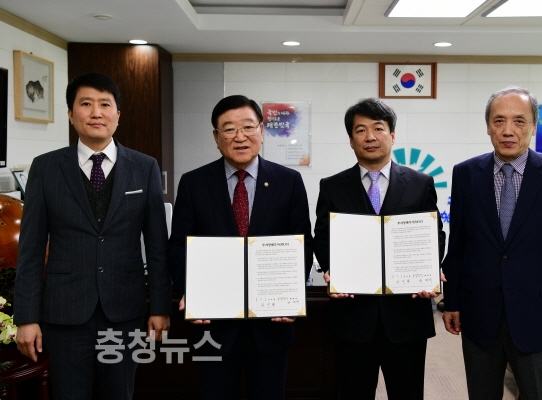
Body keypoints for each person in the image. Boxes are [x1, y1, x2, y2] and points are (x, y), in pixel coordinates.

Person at [14, 72, 172, 400]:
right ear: (71, 114)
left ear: (118, 115)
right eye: (86, 104)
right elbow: (30, 250)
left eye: (105, 104)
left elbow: (157, 246)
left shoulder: (144, 167)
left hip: (125, 311)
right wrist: (26, 318)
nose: (96, 112)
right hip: (64, 314)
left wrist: (159, 308)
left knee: (120, 394)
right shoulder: (45, 168)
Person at [442, 86, 542, 400]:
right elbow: (459, 244)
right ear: (488, 126)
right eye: (499, 121)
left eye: (519, 121)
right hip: (480, 315)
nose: (508, 130)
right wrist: (451, 300)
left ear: (534, 126)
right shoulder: (466, 173)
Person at [168, 95, 313, 400]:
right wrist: (190, 290)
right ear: (216, 137)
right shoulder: (194, 183)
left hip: (271, 324)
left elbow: (301, 244)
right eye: (229, 129)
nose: (240, 136)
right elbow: (179, 245)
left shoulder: (288, 181)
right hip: (213, 324)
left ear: (261, 131)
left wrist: (291, 296)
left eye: (248, 127)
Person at [313, 98, 446, 400]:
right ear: (351, 140)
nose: (370, 137)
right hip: (352, 315)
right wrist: (333, 269)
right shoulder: (332, 186)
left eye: (378, 128)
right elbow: (323, 236)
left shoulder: (420, 183)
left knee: (408, 393)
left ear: (392, 135)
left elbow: (433, 234)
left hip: (406, 315)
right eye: (360, 130)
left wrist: (429, 270)